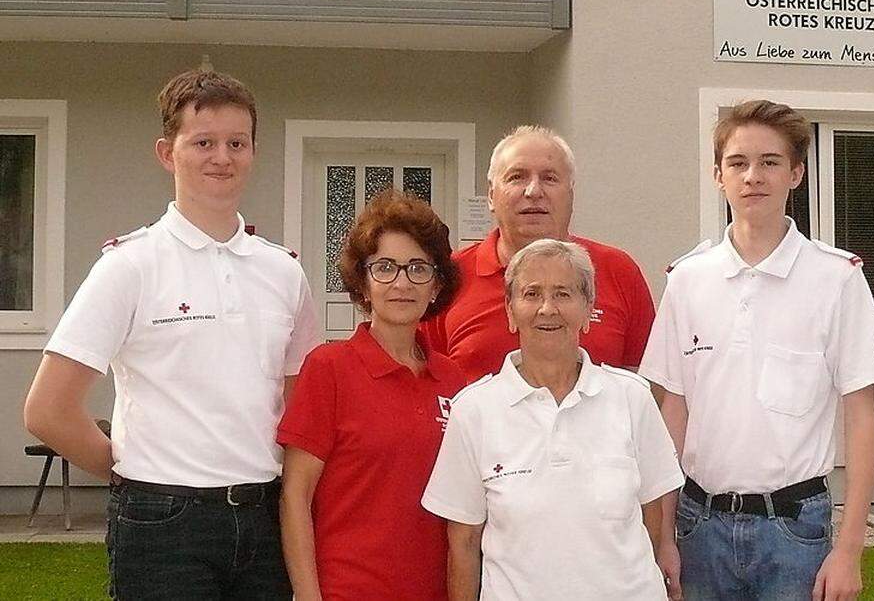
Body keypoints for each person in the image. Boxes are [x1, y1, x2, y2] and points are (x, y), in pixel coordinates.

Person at [23, 68, 321, 598]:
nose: (222, 157)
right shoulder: (130, 266)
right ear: (168, 152)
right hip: (163, 524)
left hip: (263, 517)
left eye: (237, 142)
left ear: (254, 151)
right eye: (203, 142)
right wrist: (124, 470)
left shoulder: (283, 272)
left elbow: (300, 404)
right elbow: (47, 409)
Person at [641, 100, 874, 601]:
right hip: (699, 527)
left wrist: (849, 550)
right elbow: (673, 410)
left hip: (795, 533)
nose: (752, 176)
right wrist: (664, 536)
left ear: (796, 174)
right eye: (737, 163)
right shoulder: (687, 281)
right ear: (718, 175)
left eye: (770, 162)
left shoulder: (837, 278)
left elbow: (862, 415)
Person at [421, 239, 684, 601]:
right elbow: (464, 543)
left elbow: (653, 518)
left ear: (587, 308)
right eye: (531, 294)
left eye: (563, 294)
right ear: (511, 312)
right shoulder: (474, 411)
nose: (547, 308)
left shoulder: (631, 398)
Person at [277, 190, 468, 600]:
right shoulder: (328, 369)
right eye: (385, 268)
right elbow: (295, 496)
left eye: (418, 268)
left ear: (436, 285)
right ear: (363, 283)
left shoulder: (454, 380)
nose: (402, 282)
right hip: (347, 590)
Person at [424, 125, 655, 380]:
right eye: (517, 177)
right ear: (491, 196)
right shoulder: (446, 277)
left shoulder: (619, 272)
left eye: (549, 178)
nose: (534, 191)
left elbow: (647, 384)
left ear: (571, 194)